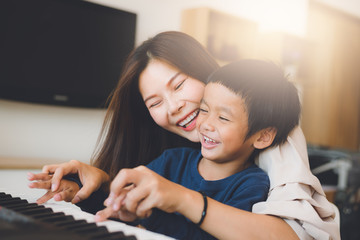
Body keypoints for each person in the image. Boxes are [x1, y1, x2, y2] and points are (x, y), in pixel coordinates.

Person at [28, 31, 339, 239]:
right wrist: (95, 186)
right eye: (155, 102)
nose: (174, 107)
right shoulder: (173, 158)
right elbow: (128, 206)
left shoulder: (265, 152)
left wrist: (179, 201)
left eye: (178, 86)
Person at [98, 59, 301, 240]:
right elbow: (128, 197)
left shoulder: (252, 184)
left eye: (223, 118)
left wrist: (152, 216)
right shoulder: (172, 160)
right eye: (204, 110)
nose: (205, 124)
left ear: (263, 136)